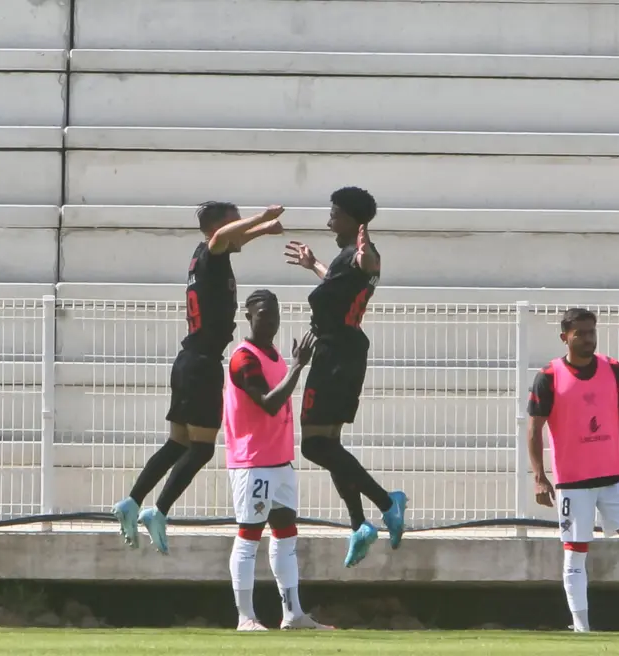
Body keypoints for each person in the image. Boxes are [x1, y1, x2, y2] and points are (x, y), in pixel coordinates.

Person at [112, 202, 285, 554]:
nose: (239, 231)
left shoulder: (204, 256)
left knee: (178, 443)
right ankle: (158, 510)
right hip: (202, 364)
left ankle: (131, 501)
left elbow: (229, 238)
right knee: (202, 448)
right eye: (235, 224)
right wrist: (263, 218)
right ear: (217, 229)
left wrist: (261, 232)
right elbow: (223, 236)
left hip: (187, 361)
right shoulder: (213, 248)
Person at [283, 187, 407, 568]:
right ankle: (359, 525)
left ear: (354, 221)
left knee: (313, 446)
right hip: (341, 352)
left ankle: (388, 502)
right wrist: (314, 264)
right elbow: (343, 281)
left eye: (334, 213)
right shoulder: (343, 260)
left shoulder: (361, 255)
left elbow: (368, 264)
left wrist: (366, 249)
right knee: (330, 443)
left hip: (337, 356)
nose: (329, 220)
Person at [527, 308, 619, 634]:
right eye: (580, 333)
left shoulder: (612, 369)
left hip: (614, 476)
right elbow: (534, 429)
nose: (588, 339)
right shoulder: (550, 376)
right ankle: (581, 625)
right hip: (573, 482)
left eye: (591, 332)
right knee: (576, 551)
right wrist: (540, 476)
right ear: (565, 337)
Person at [225, 290, 332, 631]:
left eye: (274, 315)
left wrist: (295, 366)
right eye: (262, 315)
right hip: (253, 463)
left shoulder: (275, 357)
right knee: (249, 536)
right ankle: (245, 617)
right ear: (249, 317)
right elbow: (269, 403)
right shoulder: (244, 359)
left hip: (281, 462)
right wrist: (299, 366)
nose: (269, 322)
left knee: (285, 535)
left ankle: (293, 614)